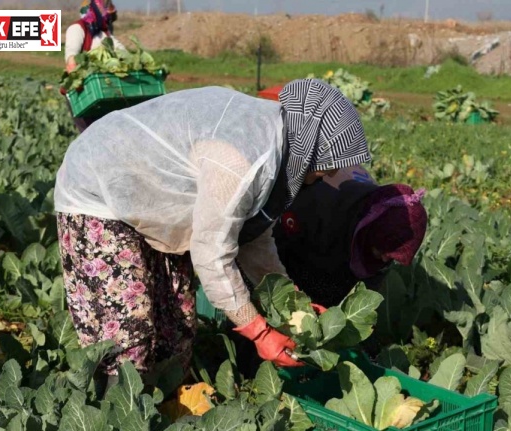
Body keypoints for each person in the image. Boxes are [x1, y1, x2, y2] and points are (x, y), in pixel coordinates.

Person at [53, 79, 372, 390]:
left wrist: (292, 302)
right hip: (97, 187)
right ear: (309, 144)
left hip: (150, 198)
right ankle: (114, 417)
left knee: (174, 332)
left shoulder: (275, 142)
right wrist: (259, 333)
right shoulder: (244, 156)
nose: (329, 173)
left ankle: (156, 412)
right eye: (327, 164)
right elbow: (212, 254)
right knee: (128, 338)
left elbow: (253, 241)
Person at [272, 165, 427, 307]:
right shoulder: (317, 206)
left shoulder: (381, 224)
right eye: (384, 250)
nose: (386, 259)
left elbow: (366, 292)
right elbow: (272, 253)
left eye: (391, 256)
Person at [62, 0, 125, 132]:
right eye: (107, 14)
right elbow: (71, 60)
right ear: (96, 10)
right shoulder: (77, 28)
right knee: (91, 135)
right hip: (83, 95)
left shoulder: (104, 34)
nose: (109, 19)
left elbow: (122, 52)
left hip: (103, 93)